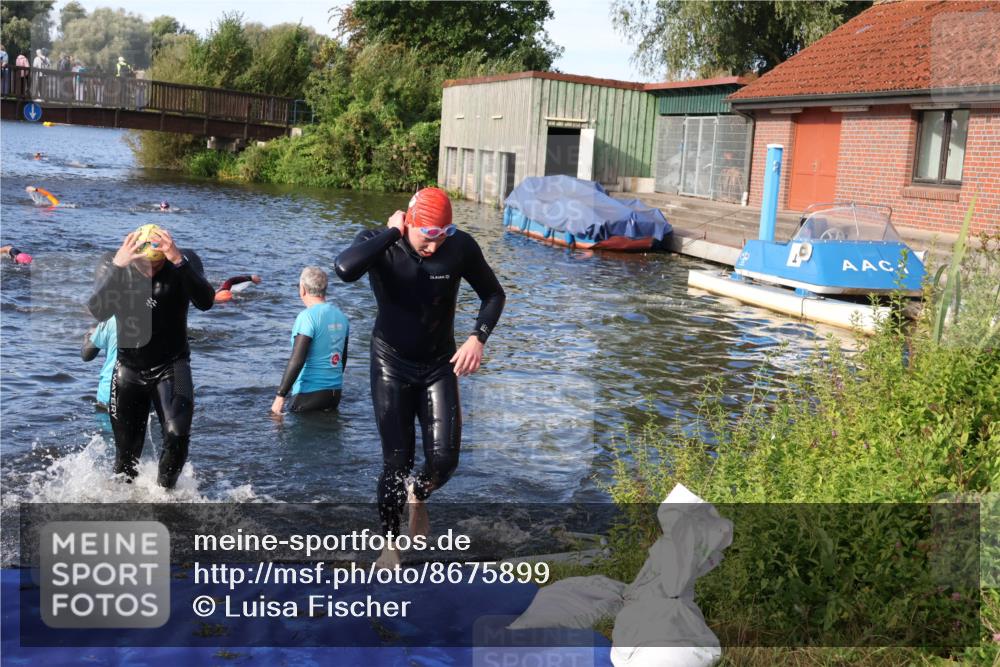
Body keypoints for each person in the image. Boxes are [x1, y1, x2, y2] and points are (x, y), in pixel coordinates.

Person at [334, 187, 505, 567]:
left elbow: (493, 294)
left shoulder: (460, 247)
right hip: (390, 363)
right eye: (427, 237)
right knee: (396, 461)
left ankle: (420, 490)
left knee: (445, 461)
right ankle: (390, 546)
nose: (433, 247)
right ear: (409, 224)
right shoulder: (381, 243)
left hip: (439, 364)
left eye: (441, 237)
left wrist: (478, 337)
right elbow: (344, 269)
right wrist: (393, 233)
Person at [87, 224, 214, 488]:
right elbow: (98, 310)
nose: (150, 271)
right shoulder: (113, 262)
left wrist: (179, 261)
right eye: (143, 265)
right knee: (126, 458)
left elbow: (206, 301)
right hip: (128, 370)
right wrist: (119, 268)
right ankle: (124, 506)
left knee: (177, 434)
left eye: (156, 266)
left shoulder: (183, 261)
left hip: (172, 366)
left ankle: (165, 497)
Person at [270, 267, 349, 415]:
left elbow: (297, 359)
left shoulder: (307, 317)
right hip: (334, 394)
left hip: (308, 395)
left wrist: (280, 395)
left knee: (273, 420)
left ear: (302, 289)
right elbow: (342, 358)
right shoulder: (341, 316)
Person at [81, 316, 118, 410]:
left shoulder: (110, 320)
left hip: (111, 390)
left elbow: (86, 355)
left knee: (107, 422)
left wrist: (88, 337)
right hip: (146, 391)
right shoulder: (155, 318)